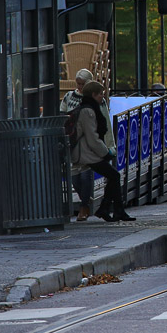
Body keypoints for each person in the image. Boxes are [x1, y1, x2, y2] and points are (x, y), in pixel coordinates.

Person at [75, 81, 134, 222]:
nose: (103, 96)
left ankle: (108, 209)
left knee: (113, 176)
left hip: (89, 152)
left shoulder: (90, 107)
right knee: (114, 175)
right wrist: (105, 153)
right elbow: (92, 138)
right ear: (93, 94)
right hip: (87, 154)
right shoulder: (88, 111)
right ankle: (111, 210)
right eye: (100, 93)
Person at [61, 69, 94, 221]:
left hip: (88, 141)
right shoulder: (69, 96)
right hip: (73, 141)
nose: (80, 87)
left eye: (83, 84)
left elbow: (103, 118)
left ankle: (84, 206)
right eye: (78, 84)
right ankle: (86, 202)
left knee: (86, 173)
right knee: (74, 176)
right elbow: (61, 113)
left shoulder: (94, 97)